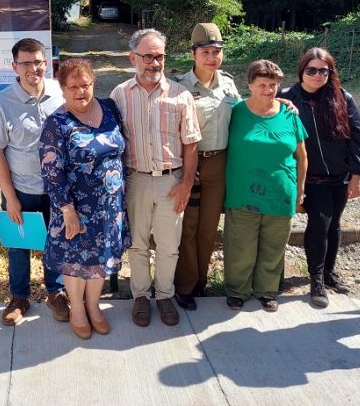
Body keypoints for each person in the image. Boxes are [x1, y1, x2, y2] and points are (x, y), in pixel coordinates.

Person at [111, 29, 200, 327]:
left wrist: (186, 183)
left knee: (168, 245)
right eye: (147, 56)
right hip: (135, 179)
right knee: (137, 244)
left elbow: (190, 144)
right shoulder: (119, 95)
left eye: (159, 56)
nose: (154, 63)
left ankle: (163, 296)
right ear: (133, 58)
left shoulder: (180, 95)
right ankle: (140, 296)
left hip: (171, 182)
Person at [40, 58, 130, 339]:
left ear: (94, 83)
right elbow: (51, 172)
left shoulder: (109, 108)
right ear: (63, 89)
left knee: (101, 258)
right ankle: (77, 309)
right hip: (76, 207)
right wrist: (67, 210)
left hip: (110, 206)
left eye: (86, 85)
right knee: (76, 260)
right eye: (74, 87)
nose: (81, 91)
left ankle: (94, 306)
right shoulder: (57, 123)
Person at [0, 38, 69, 326]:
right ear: (14, 66)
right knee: (18, 245)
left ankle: (56, 292)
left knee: (56, 242)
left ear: (46, 63)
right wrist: (11, 197)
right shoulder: (2, 102)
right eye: (26, 63)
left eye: (38, 62)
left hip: (57, 190)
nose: (33, 68)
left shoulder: (60, 93)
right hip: (20, 189)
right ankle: (19, 296)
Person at [280, 48, 360, 308]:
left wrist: (357, 174)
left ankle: (329, 273)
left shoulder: (342, 98)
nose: (318, 75)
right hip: (311, 177)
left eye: (324, 71)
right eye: (312, 70)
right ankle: (316, 279)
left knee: (334, 225)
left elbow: (358, 137)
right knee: (320, 222)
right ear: (302, 71)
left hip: (339, 176)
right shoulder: (286, 98)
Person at [223, 59, 307, 313]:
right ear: (250, 85)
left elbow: (302, 156)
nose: (269, 90)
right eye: (262, 84)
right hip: (242, 192)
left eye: (273, 85)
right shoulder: (235, 112)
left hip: (280, 192)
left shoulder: (290, 115)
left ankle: (267, 290)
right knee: (240, 245)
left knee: (273, 246)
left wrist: (301, 189)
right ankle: (237, 290)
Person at [173, 23, 241, 311]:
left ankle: (201, 281)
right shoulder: (179, 86)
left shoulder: (227, 84)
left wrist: (281, 103)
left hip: (219, 164)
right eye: (206, 52)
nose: (212, 57)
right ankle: (184, 286)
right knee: (187, 227)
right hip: (191, 164)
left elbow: (243, 114)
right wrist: (187, 165)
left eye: (217, 52)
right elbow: (171, 129)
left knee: (209, 227)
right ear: (193, 54)